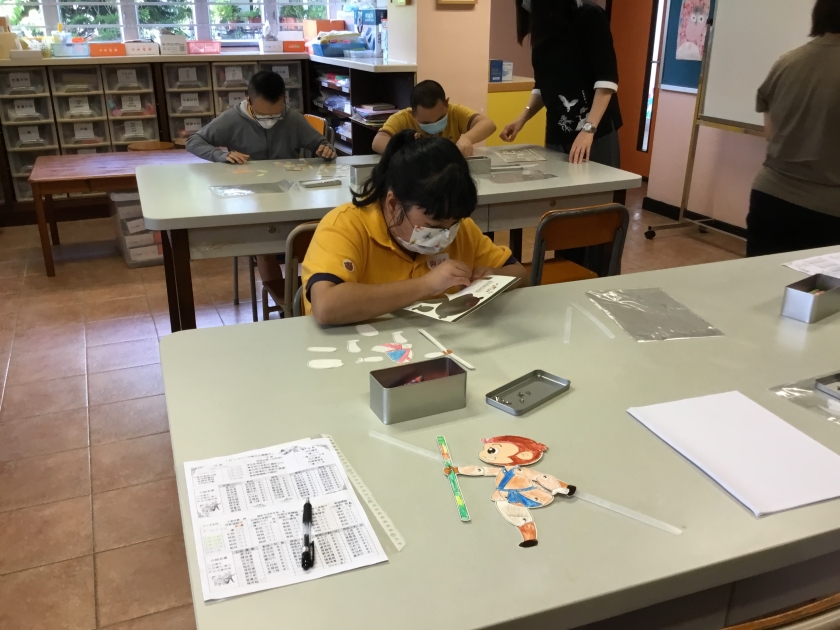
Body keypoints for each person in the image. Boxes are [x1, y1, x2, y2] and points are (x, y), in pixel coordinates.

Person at [303, 130, 529, 325]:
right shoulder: (346, 225)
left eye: (453, 224)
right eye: (432, 226)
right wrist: (426, 285)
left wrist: (493, 276)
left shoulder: (458, 227)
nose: (445, 236)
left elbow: (520, 274)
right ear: (393, 204)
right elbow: (326, 306)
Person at [746, 0, 840, 257]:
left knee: (761, 279)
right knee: (819, 284)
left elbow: (771, 134)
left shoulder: (787, 62)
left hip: (770, 197)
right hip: (829, 211)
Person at [500, 0, 622, 166]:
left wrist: (588, 129)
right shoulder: (543, 26)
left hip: (595, 131)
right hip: (557, 131)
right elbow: (543, 84)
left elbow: (606, 81)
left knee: (597, 180)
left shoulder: (589, 15)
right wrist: (522, 119)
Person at [186, 70, 336, 163]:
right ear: (248, 100)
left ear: (284, 99)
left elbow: (322, 144)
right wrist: (220, 155)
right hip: (246, 182)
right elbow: (193, 141)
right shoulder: (232, 119)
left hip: (287, 183)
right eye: (262, 115)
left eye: (276, 114)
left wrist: (326, 150)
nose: (269, 120)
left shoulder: (293, 118)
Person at [371, 80, 496, 157]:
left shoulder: (455, 112)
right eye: (426, 122)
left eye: (440, 118)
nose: (434, 125)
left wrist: (467, 138)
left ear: (446, 104)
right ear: (412, 114)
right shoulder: (402, 118)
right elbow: (378, 142)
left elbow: (488, 124)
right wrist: (406, 152)